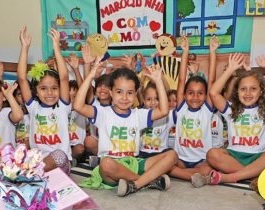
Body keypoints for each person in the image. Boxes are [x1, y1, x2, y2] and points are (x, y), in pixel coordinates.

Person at [73, 62, 178, 197]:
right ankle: (147, 181)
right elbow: (78, 105)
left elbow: (164, 110)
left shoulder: (138, 114)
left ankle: (135, 184)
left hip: (133, 163)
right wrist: (90, 76)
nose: (124, 97)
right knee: (106, 163)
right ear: (111, 92)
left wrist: (158, 81)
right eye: (119, 92)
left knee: (172, 155)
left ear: (135, 95)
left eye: (129, 93)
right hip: (112, 167)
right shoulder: (103, 113)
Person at [195, 54, 265, 186]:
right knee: (212, 154)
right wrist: (230, 70)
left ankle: (230, 177)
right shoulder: (231, 109)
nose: (248, 93)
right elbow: (213, 93)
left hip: (258, 157)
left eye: (253, 89)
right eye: (243, 89)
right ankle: (253, 175)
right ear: (237, 92)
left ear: (261, 91)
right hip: (234, 156)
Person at [17, 26, 72, 173]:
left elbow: (64, 78)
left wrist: (56, 48)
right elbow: (22, 78)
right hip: (36, 160)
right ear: (36, 90)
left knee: (59, 155)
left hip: (60, 164)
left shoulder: (62, 106)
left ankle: (28, 175)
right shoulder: (33, 106)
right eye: (43, 88)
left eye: (54, 88)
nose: (49, 93)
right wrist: (24, 47)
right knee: (18, 150)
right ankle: (29, 174)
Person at [170, 35, 219, 184]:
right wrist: (185, 51)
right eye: (191, 93)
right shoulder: (182, 107)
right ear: (184, 94)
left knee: (207, 168)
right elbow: (181, 79)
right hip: (181, 160)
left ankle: (184, 175)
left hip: (201, 160)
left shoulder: (206, 110)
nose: (195, 97)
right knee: (166, 162)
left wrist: (212, 52)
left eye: (200, 93)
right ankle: (192, 176)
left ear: (206, 95)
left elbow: (211, 81)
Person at [139, 82, 175, 158]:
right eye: (149, 99)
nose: (153, 103)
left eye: (157, 99)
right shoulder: (140, 115)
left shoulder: (168, 115)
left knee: (172, 155)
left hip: (160, 154)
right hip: (142, 153)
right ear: (144, 101)